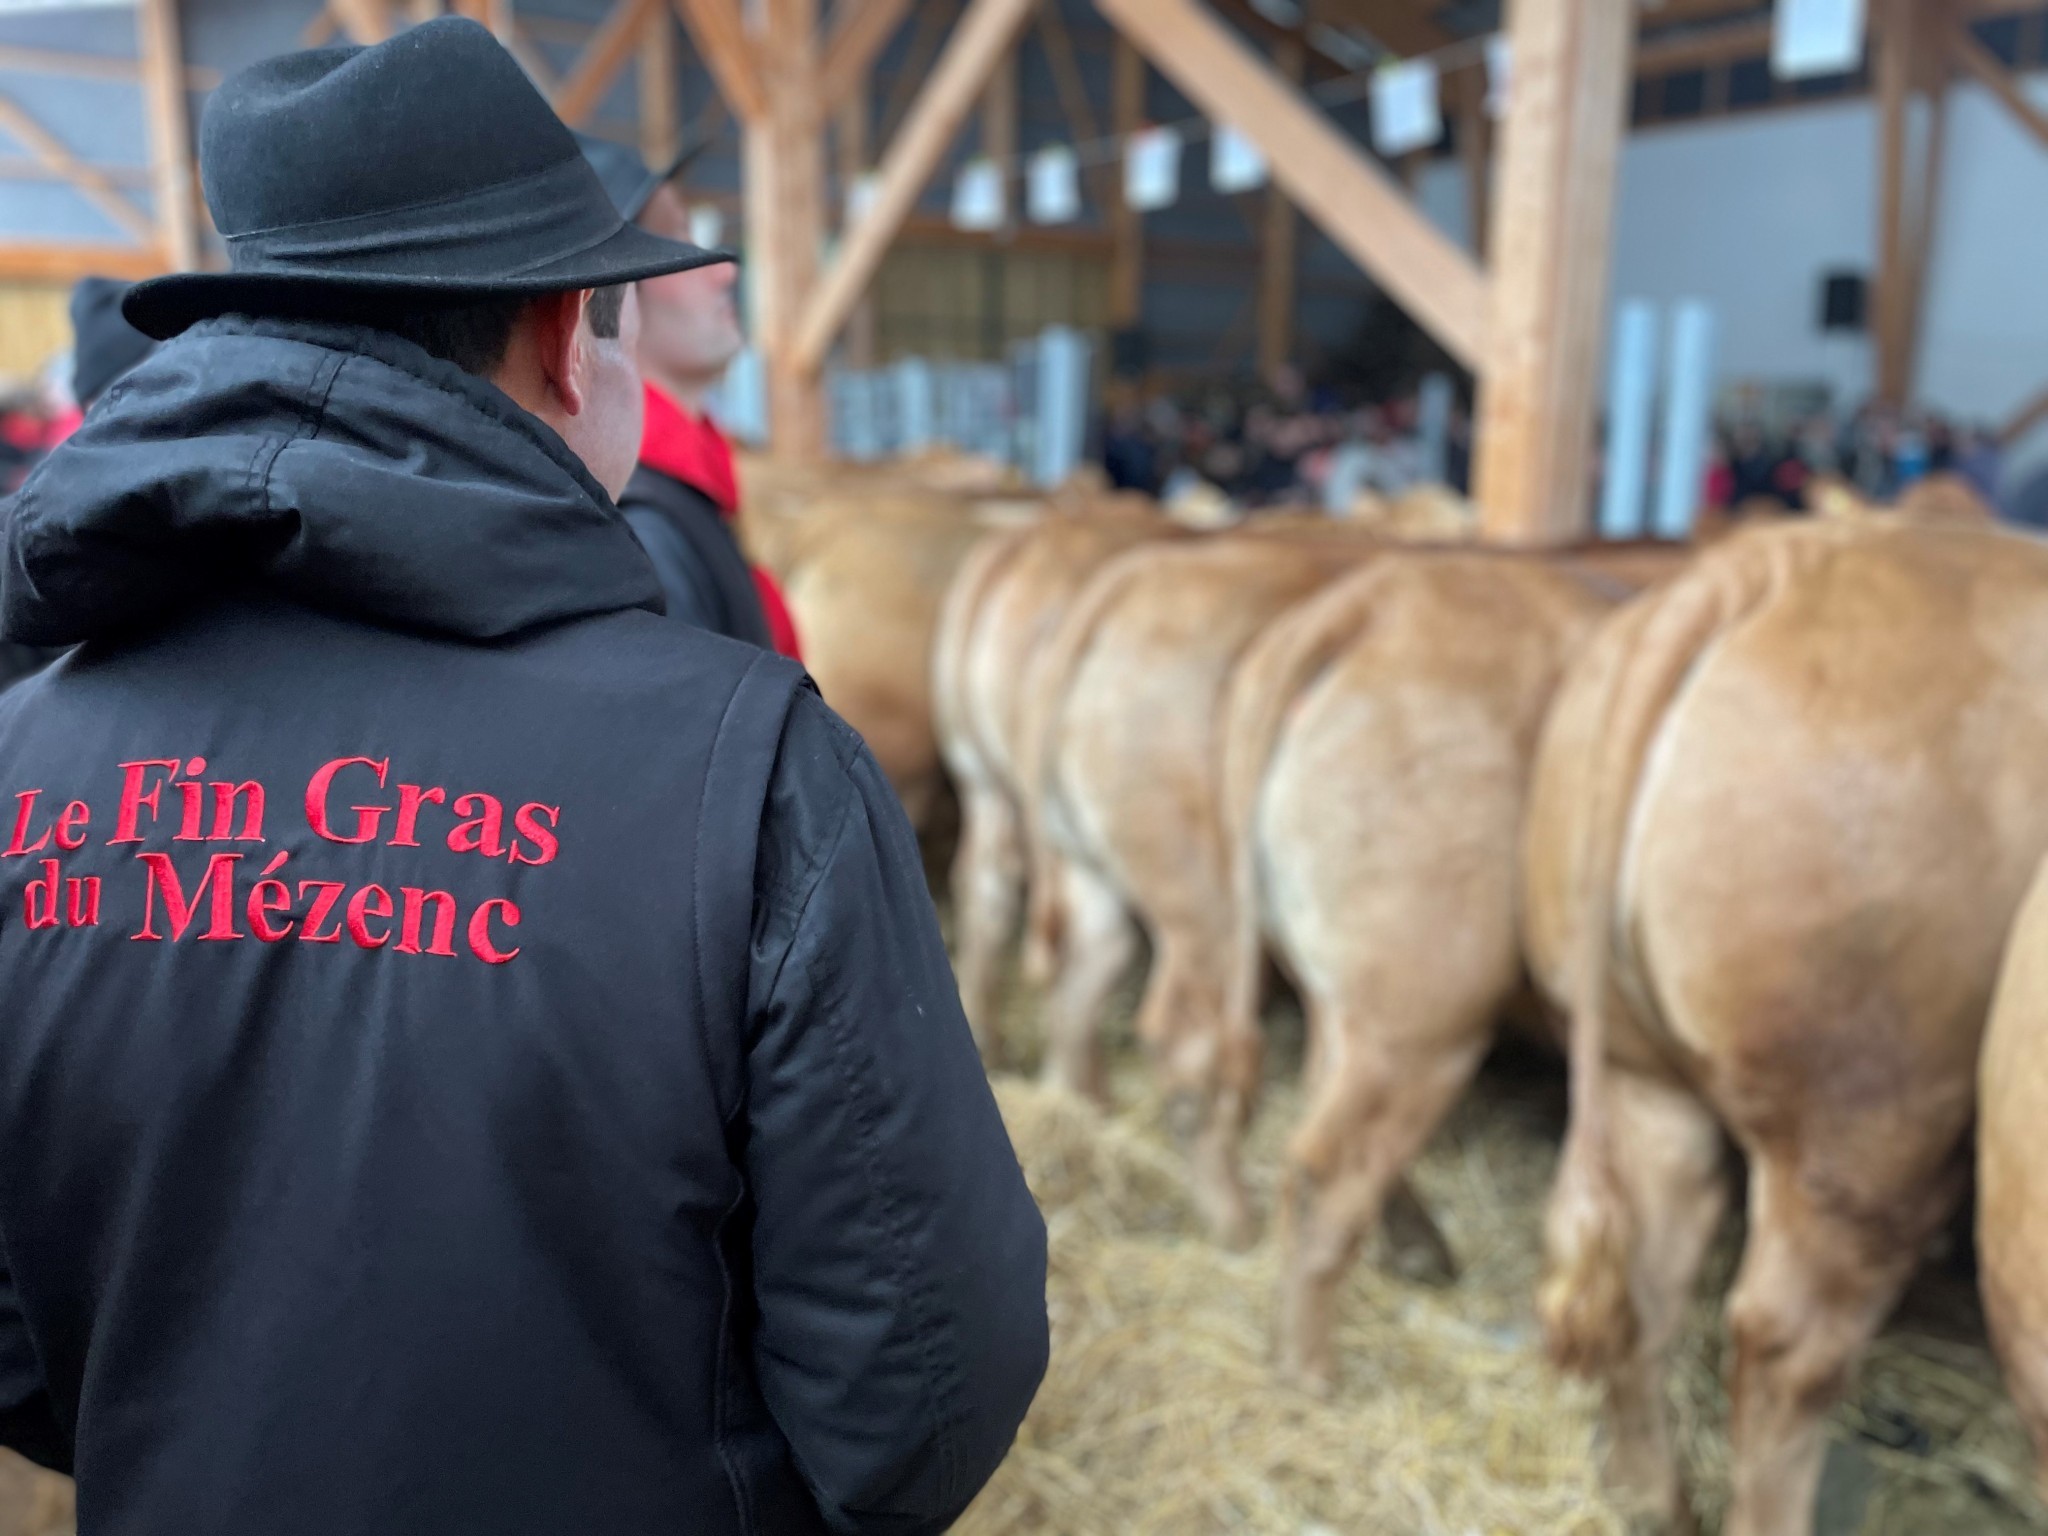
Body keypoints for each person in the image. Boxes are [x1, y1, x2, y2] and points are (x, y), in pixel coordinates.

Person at [0, 21, 1046, 1536]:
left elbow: (19, 1346)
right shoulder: (743, 770)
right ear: (569, 338)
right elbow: (925, 1378)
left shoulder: (27, 749)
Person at [578, 133, 801, 655]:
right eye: (677, 241)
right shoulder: (642, 526)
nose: (725, 270)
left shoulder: (689, 489)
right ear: (615, 289)